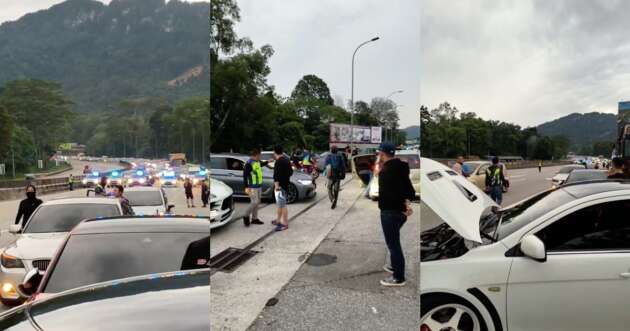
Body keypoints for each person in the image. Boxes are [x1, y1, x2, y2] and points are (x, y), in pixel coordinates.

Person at [376, 142, 415, 287]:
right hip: (400, 214)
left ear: (382, 154)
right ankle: (394, 265)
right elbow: (409, 191)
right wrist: (406, 206)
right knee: (393, 241)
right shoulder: (402, 168)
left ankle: (399, 277)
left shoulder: (385, 172)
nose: (378, 155)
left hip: (390, 213)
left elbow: (390, 196)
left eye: (378, 152)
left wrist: (402, 207)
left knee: (393, 245)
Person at [242, 149, 269, 226]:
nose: (260, 157)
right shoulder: (249, 164)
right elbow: (245, 176)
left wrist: (268, 162)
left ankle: (254, 219)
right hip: (252, 187)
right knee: (254, 202)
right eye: (259, 155)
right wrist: (246, 187)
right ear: (255, 155)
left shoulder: (257, 162)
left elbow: (261, 164)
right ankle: (246, 215)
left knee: (257, 203)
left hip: (259, 186)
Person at [272, 145, 292, 231]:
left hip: (280, 186)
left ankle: (285, 224)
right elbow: (291, 172)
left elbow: (276, 176)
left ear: (274, 152)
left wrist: (276, 187)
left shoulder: (278, 161)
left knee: (283, 205)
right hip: (286, 185)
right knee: (280, 204)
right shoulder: (286, 160)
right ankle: (278, 220)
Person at [325, 145, 346, 209]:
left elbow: (326, 165)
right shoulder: (340, 156)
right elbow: (343, 166)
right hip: (338, 175)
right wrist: (343, 174)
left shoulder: (328, 156)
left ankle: (332, 199)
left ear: (331, 150)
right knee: (336, 190)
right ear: (337, 150)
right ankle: (335, 202)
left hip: (330, 175)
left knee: (329, 188)